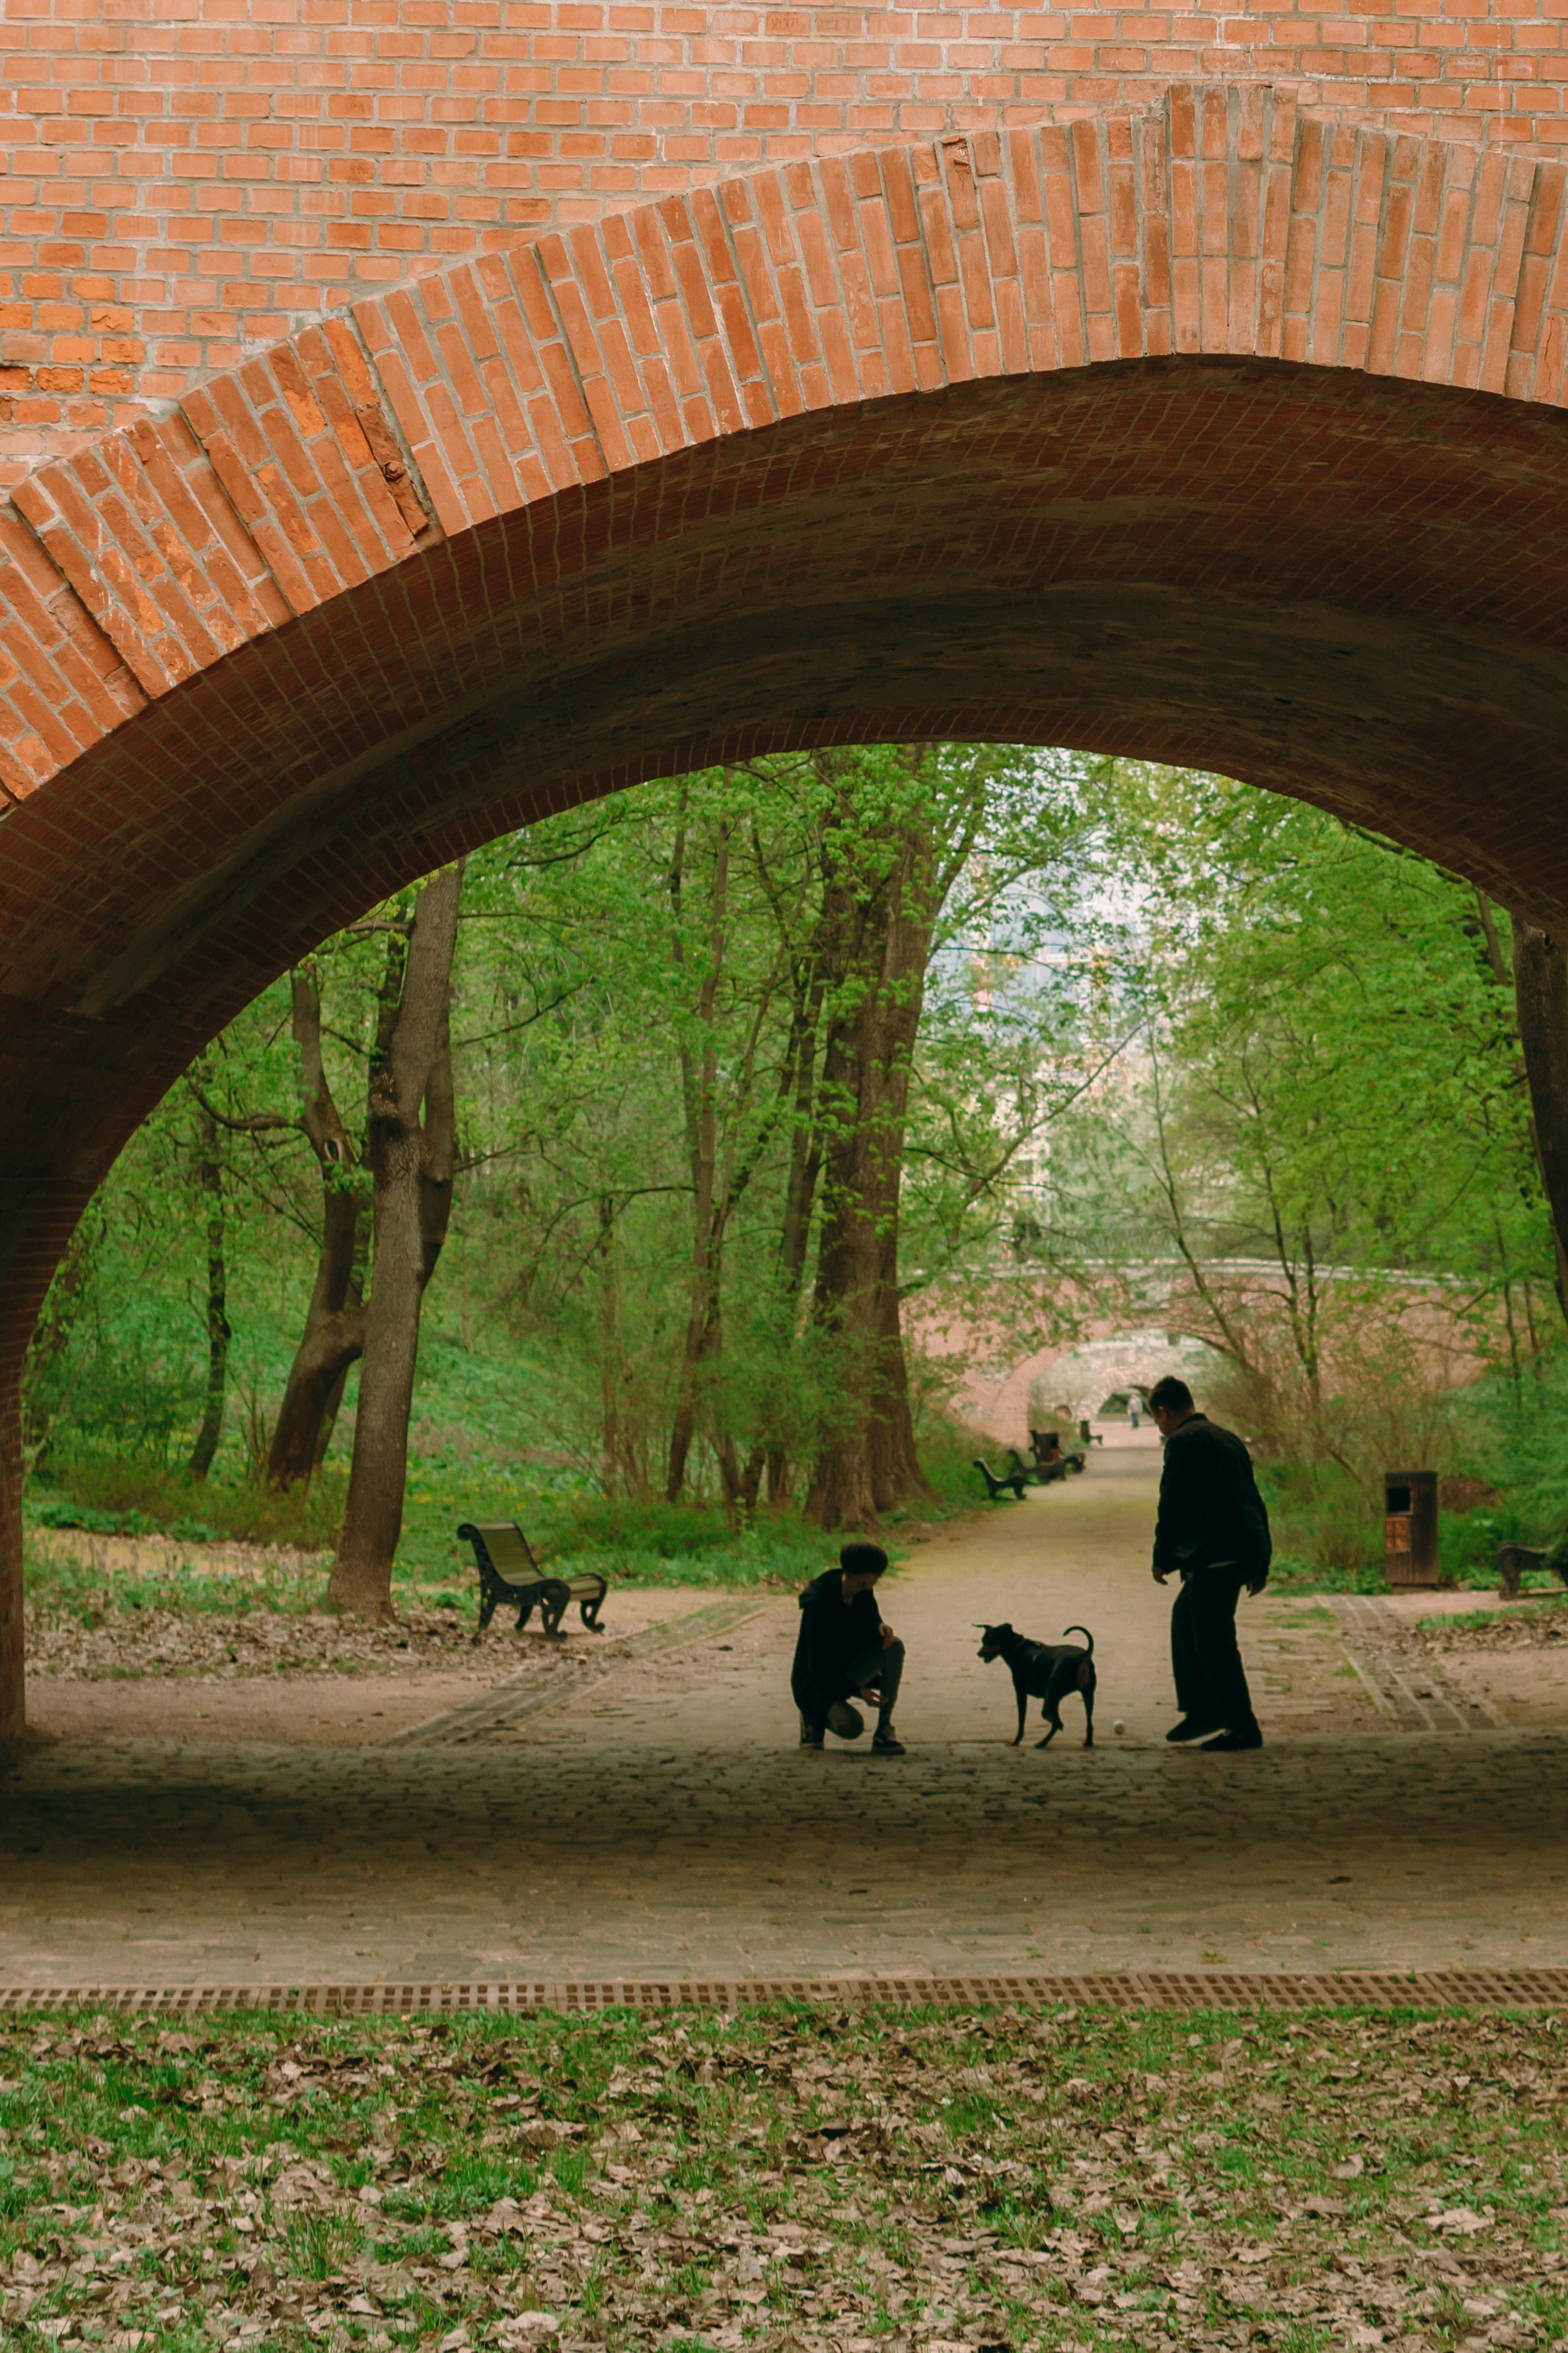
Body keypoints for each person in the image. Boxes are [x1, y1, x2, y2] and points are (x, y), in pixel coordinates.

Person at [1148, 1374, 1271, 1752]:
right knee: (1186, 1620)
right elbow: (1252, 1501)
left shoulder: (1182, 1443)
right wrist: (1260, 1560)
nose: (1160, 1427)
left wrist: (1162, 1557)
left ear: (1164, 1413)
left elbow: (1172, 1503)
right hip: (1234, 1554)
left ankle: (1240, 1727)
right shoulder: (1226, 1438)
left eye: (1157, 1419)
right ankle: (1204, 1709)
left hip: (1212, 1557)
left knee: (1215, 1642)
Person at [792, 1540, 906, 1755]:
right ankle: (812, 1717)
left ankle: (884, 1728)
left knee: (895, 1646)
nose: (879, 1579)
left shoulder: (863, 1593)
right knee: (852, 1727)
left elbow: (872, 1620)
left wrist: (881, 1628)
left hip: (848, 1671)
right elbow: (818, 1667)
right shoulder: (818, 1604)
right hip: (817, 1684)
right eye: (877, 1575)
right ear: (863, 1576)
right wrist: (859, 1692)